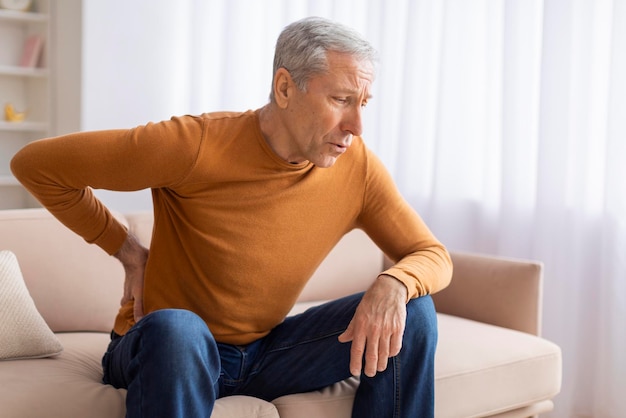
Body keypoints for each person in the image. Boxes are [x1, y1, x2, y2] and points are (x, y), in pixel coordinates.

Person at [11, 16, 452, 418]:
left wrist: (395, 282)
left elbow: (431, 254)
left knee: (414, 310)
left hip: (265, 353)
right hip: (170, 348)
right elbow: (37, 165)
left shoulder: (358, 169)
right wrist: (125, 248)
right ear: (284, 88)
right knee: (179, 328)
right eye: (341, 99)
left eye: (364, 103)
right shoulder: (194, 144)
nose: (356, 125)